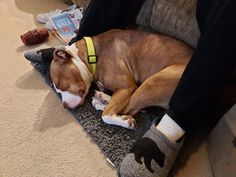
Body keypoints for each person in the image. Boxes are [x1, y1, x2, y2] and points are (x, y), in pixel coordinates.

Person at [24, 0, 236, 176]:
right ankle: (74, 49)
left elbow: (126, 87)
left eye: (63, 86)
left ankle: (172, 126)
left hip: (178, 69)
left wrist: (112, 110)